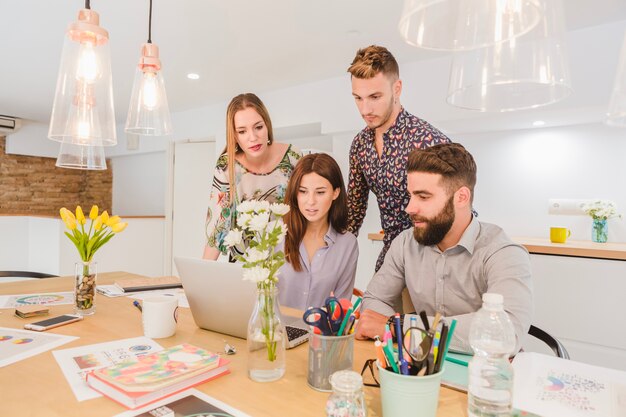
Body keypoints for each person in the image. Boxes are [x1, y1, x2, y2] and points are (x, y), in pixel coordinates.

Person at [355, 143, 532, 353]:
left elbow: (507, 331)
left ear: (461, 197)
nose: (409, 208)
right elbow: (374, 299)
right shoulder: (405, 243)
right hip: (422, 369)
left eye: (423, 197)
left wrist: (400, 329)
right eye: (411, 195)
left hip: (486, 376)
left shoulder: (503, 252)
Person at [347, 45, 451, 272]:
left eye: (375, 97)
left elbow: (457, 210)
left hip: (434, 259)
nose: (365, 109)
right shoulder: (360, 145)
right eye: (358, 98)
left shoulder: (428, 141)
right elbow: (353, 213)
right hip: (391, 258)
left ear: (397, 88)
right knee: (371, 307)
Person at [203, 93, 301, 261]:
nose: (253, 137)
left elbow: (306, 212)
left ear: (267, 125)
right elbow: (219, 226)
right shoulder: (227, 166)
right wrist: (198, 279)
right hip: (244, 265)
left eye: (258, 127)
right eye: (242, 131)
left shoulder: (293, 157)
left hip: (287, 258)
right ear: (234, 136)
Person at [278, 153, 358, 310]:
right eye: (303, 191)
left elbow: (340, 310)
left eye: (320, 192)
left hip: (321, 334)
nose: (311, 201)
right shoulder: (276, 233)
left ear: (335, 193)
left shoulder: (347, 244)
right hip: (276, 332)